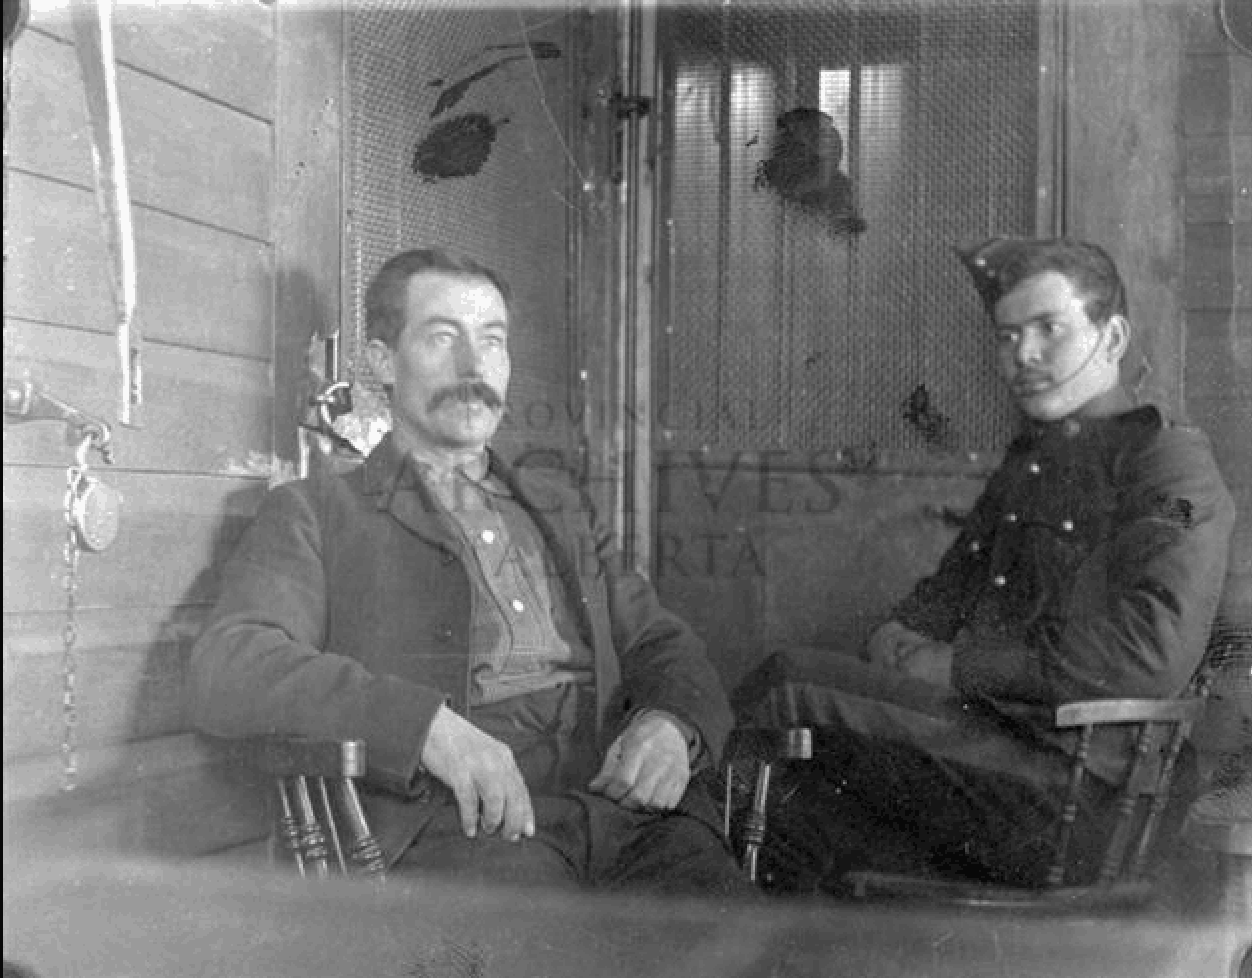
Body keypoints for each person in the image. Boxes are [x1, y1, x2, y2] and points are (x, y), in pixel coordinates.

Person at [187, 248, 749, 895]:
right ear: (382, 362)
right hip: (460, 825)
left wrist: (671, 725)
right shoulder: (318, 511)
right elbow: (232, 662)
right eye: (441, 337)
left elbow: (660, 641)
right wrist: (425, 727)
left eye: (492, 341)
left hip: (622, 811)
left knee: (745, 936)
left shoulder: (564, 509)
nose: (473, 366)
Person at [733, 237, 1236, 892]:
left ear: (1111, 338)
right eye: (1008, 336)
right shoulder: (1034, 459)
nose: (1022, 355)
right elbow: (951, 588)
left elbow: (1149, 655)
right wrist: (900, 631)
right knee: (796, 815)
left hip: (1081, 785)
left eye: (1049, 328)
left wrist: (957, 666)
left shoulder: (1167, 464)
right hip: (1001, 749)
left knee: (786, 689)